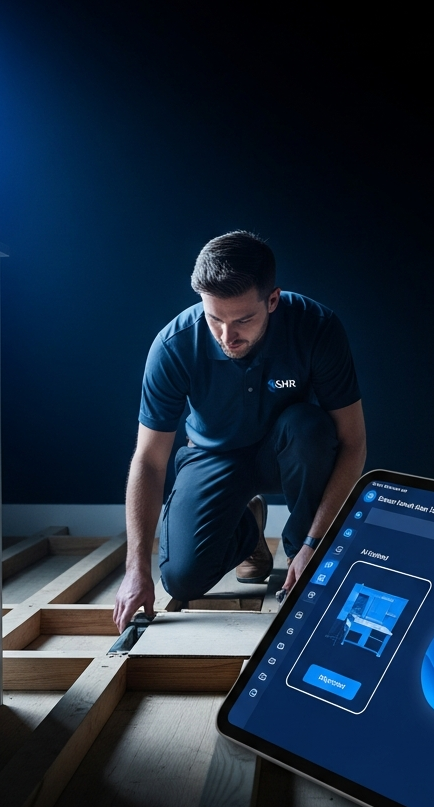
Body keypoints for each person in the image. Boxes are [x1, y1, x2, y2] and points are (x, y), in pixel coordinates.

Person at [113, 231, 366, 631]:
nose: (227, 336)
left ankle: (300, 553)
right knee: (182, 579)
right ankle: (246, 525)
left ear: (272, 300)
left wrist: (317, 546)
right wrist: (135, 569)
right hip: (213, 456)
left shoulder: (317, 327)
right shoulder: (174, 346)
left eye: (243, 320)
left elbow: (353, 444)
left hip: (289, 449)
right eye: (214, 319)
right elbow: (148, 460)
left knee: (310, 429)